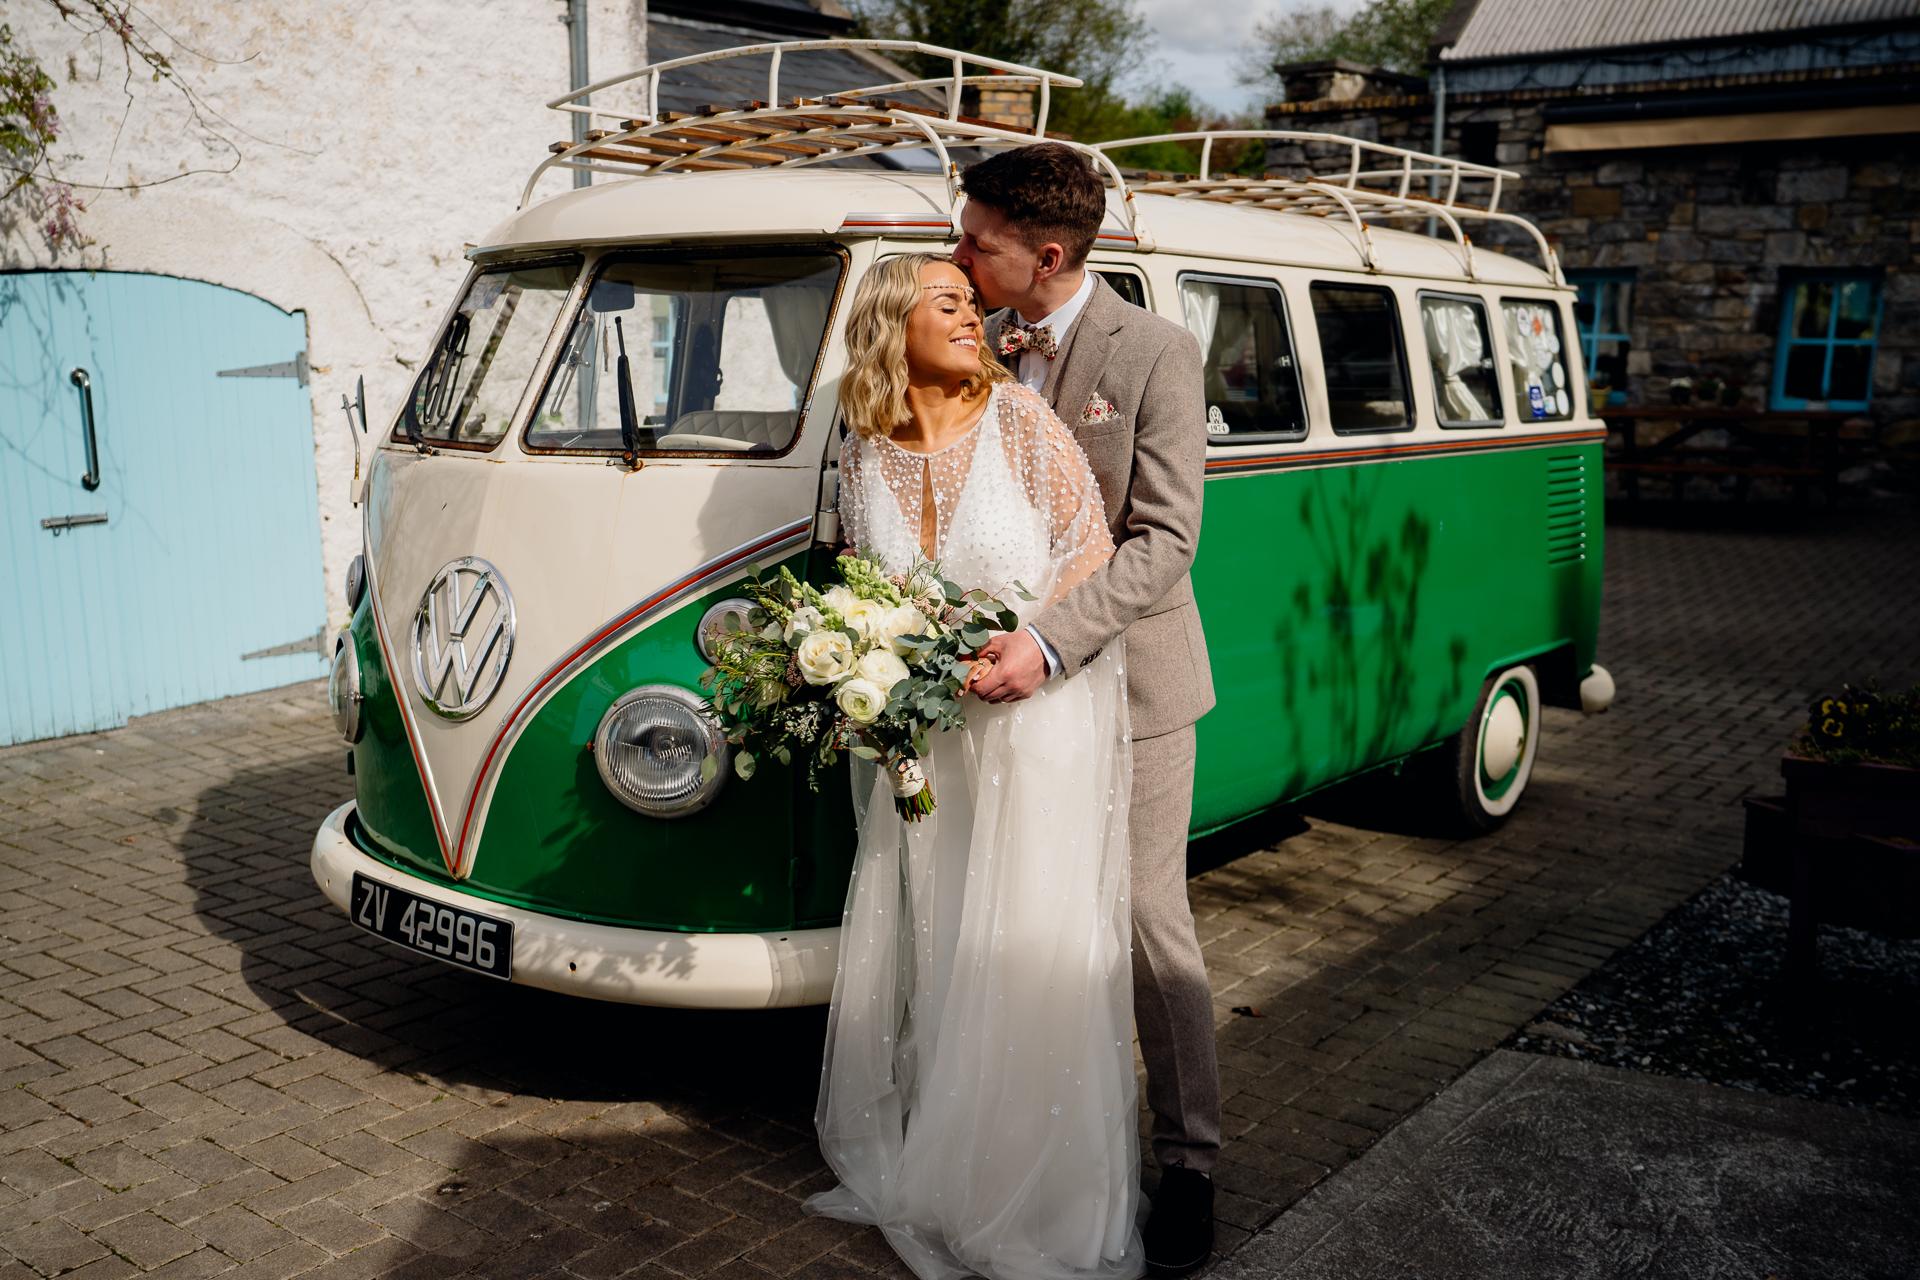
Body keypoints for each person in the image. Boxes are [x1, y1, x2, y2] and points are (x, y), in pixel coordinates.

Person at [806, 252, 1142, 1280]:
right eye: (945, 303)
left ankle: (1037, 1189)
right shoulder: (863, 452)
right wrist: (872, 655)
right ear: (890, 326)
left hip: (1034, 719)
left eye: (970, 298)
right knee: (945, 934)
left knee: (1027, 939)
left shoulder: (1023, 423)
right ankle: (944, 1162)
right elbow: (861, 583)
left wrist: (1023, 645)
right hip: (927, 737)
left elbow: (1090, 549)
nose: (972, 314)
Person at [954, 142, 1220, 1277]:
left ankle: (1193, 1160)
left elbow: (1166, 538)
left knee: (1145, 922)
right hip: (1012, 693)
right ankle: (1043, 1135)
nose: (957, 255)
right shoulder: (978, 341)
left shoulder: (1155, 351)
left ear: (1047, 253)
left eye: (978, 239)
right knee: (1022, 909)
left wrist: (1051, 641)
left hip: (1133, 686)